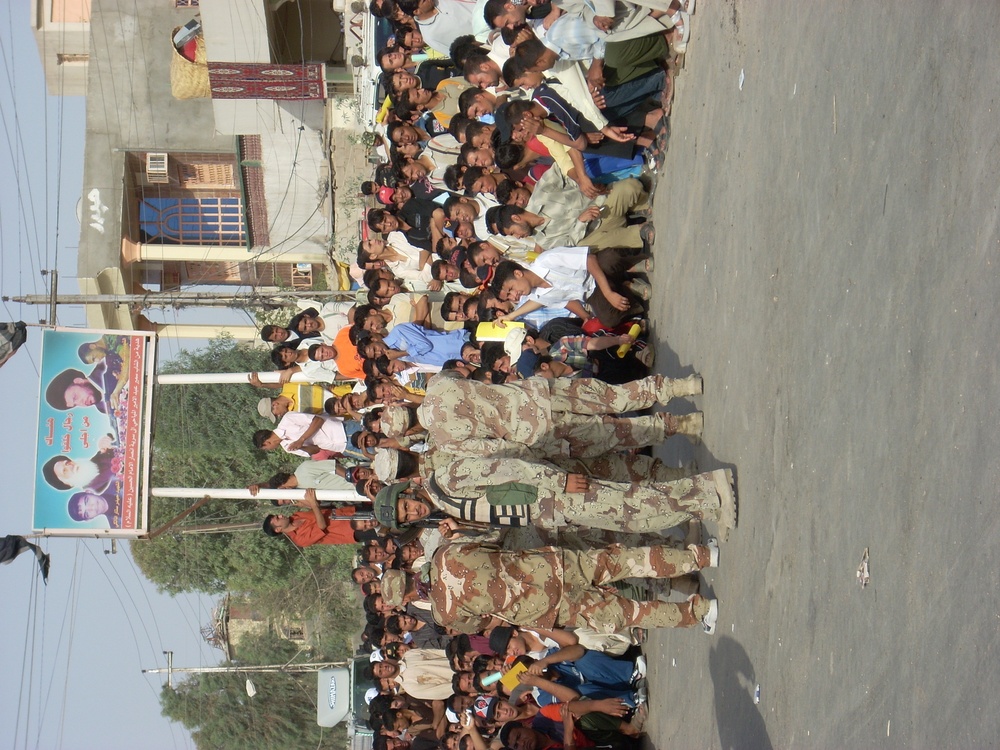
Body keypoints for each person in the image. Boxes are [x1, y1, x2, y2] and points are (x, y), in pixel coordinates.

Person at [424, 541, 720, 634]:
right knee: (626, 561)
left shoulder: (444, 614)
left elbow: (481, 624)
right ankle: (702, 556)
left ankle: (701, 610)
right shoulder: (446, 553)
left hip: (543, 607)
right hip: (550, 566)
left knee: (629, 613)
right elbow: (491, 545)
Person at [416, 369, 703, 458]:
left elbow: (493, 449)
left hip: (539, 433)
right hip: (538, 393)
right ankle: (680, 386)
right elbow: (462, 372)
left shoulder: (444, 442)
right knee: (609, 396)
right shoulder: (438, 384)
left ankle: (682, 424)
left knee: (611, 433)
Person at [262, 492, 362, 546]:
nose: (280, 515)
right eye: (277, 518)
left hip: (348, 512)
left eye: (277, 515)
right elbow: (322, 526)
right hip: (351, 531)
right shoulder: (300, 540)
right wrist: (313, 504)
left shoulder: (296, 515)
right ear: (278, 529)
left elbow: (320, 510)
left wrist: (307, 503)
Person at [41, 435, 118, 493]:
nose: (70, 466)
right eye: (65, 471)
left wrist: (106, 443)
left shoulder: (97, 459)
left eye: (67, 463)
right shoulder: (94, 492)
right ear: (67, 484)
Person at [252, 412, 348, 458]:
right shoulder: (286, 447)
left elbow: (318, 420)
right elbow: (315, 450)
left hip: (341, 429)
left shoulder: (287, 419)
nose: (270, 449)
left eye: (266, 449)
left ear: (266, 443)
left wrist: (301, 440)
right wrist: (300, 447)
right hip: (340, 447)